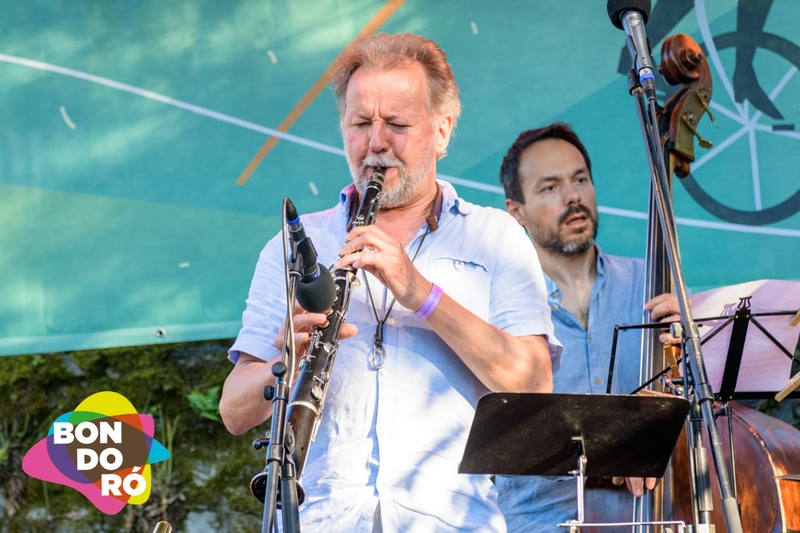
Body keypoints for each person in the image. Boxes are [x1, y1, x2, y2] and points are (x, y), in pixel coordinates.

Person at [219, 33, 562, 532]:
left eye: (397, 125)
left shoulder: (495, 236)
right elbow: (234, 411)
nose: (376, 142)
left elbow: (533, 385)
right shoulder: (296, 245)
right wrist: (286, 363)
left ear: (442, 131)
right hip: (320, 520)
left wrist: (420, 292)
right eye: (361, 124)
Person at [495, 122, 680, 532]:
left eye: (580, 180)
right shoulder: (498, 306)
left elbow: (700, 415)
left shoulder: (651, 284)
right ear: (516, 212)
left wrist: (690, 356)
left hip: (651, 515)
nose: (573, 196)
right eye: (550, 187)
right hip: (541, 524)